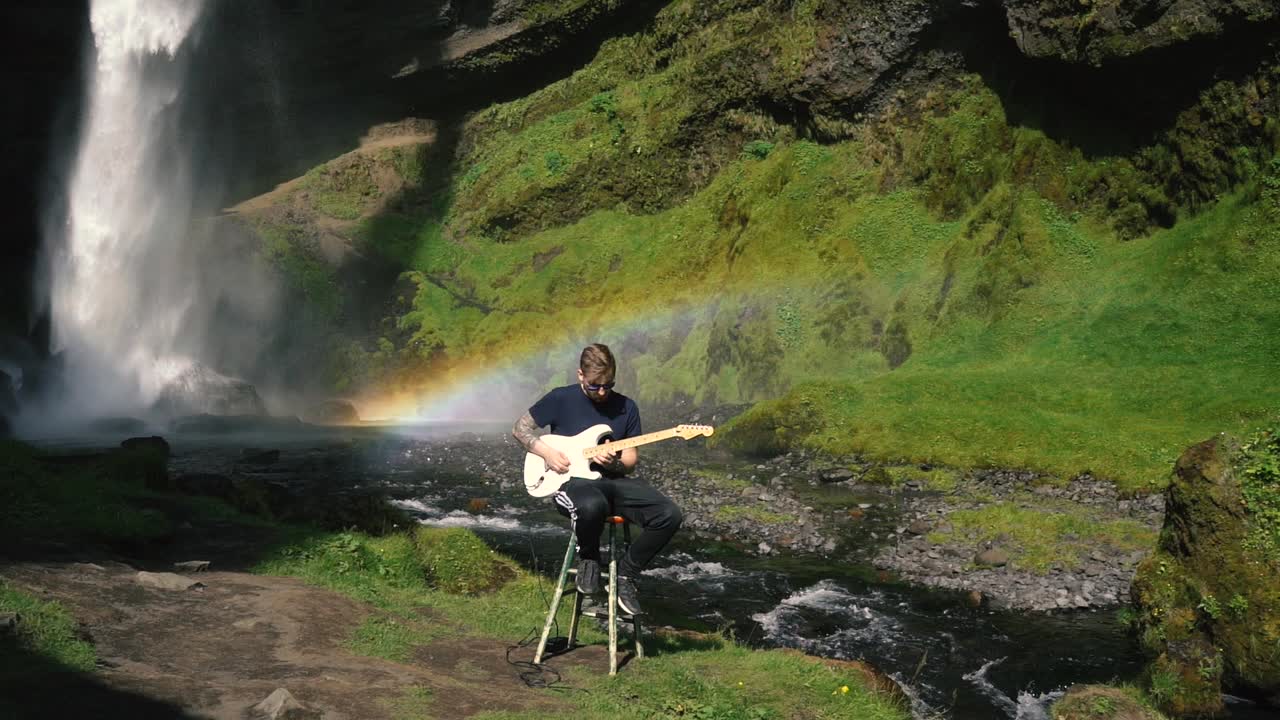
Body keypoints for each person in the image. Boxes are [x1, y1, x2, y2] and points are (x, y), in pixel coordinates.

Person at [512, 343, 683, 615]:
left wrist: (614, 462)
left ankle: (626, 574)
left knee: (669, 514)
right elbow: (520, 429)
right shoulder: (560, 398)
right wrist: (546, 452)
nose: (602, 392)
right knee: (592, 505)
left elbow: (629, 462)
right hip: (572, 483)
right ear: (581, 375)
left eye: (608, 385)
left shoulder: (626, 407)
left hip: (614, 482)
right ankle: (589, 559)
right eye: (594, 386)